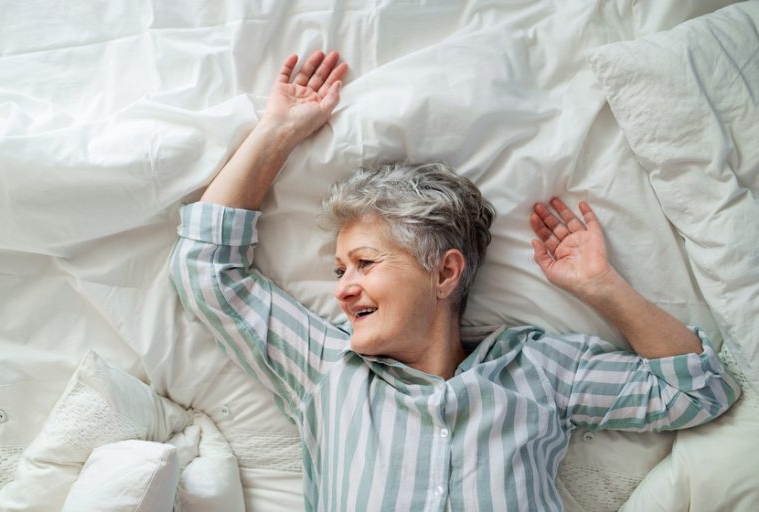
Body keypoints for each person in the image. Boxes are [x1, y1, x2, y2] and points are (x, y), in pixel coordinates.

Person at [169, 51, 740, 511]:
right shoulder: (327, 368)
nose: (343, 289)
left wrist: (601, 286)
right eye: (340, 271)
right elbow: (206, 269)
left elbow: (697, 392)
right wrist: (278, 131)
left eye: (366, 264)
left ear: (444, 272)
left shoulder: (537, 371)